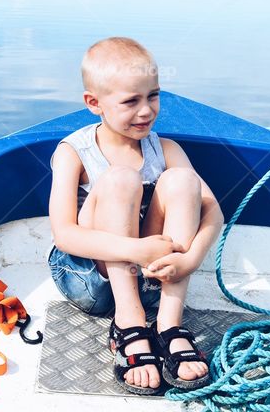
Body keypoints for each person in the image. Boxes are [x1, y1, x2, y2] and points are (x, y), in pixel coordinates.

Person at [47, 37, 224, 395]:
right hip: (89, 279)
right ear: (94, 103)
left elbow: (213, 210)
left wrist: (191, 259)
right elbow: (64, 235)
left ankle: (169, 324)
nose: (146, 111)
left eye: (153, 96)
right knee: (121, 178)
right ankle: (128, 323)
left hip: (151, 281)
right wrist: (134, 249)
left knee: (182, 180)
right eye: (131, 101)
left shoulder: (165, 149)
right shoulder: (74, 152)